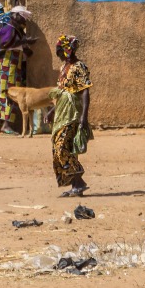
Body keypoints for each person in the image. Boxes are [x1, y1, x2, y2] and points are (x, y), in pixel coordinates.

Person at [51, 35, 93, 197]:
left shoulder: (79, 67)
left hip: (72, 113)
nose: (58, 55)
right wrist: (51, 111)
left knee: (62, 147)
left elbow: (85, 92)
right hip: (61, 112)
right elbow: (61, 92)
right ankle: (76, 185)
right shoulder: (63, 68)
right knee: (60, 147)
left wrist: (84, 116)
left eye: (60, 51)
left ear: (67, 50)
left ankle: (79, 179)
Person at [0, 5, 35, 134]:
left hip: (13, 66)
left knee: (10, 93)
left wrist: (26, 45)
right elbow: (4, 44)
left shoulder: (16, 29)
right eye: (22, 17)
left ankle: (6, 124)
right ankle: (5, 125)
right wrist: (24, 41)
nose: (24, 21)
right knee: (8, 94)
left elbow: (19, 46)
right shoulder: (8, 29)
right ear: (15, 16)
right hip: (5, 65)